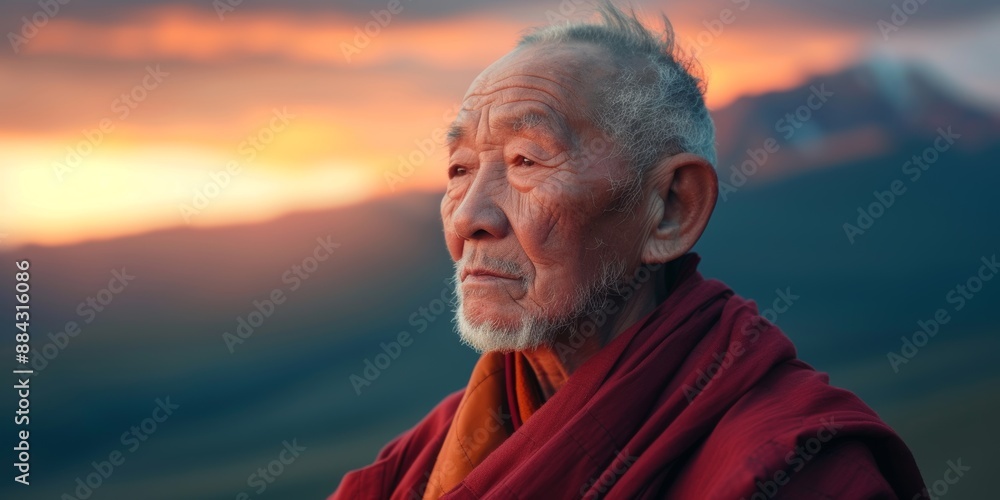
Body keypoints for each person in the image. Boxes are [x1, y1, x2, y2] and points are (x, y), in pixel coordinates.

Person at [331, 2, 925, 498]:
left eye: (526, 161)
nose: (468, 217)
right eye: (459, 168)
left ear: (670, 209)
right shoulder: (435, 449)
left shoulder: (794, 465)